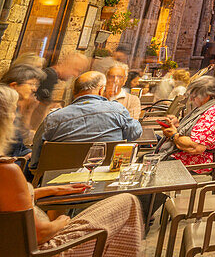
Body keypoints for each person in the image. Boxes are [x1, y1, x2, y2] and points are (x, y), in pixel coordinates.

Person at [0, 87, 145, 257]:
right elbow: (39, 234)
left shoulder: (52, 119)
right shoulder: (7, 169)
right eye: (14, 111)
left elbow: (13, 200)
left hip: (17, 244)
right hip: (43, 250)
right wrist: (63, 222)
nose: (16, 118)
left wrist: (52, 189)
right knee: (127, 203)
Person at [29, 71, 142, 172]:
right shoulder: (117, 110)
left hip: (56, 186)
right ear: (101, 90)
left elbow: (35, 162)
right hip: (105, 180)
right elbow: (134, 133)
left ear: (74, 91)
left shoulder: (53, 119)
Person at [154, 76, 215, 173]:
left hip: (199, 161)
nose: (191, 99)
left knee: (148, 166)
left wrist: (174, 135)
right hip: (186, 155)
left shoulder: (214, 113)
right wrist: (178, 125)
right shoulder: (209, 105)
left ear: (207, 95)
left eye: (195, 96)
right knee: (145, 160)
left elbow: (195, 147)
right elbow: (195, 128)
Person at [32, 52, 87, 129]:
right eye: (76, 70)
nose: (76, 74)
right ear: (67, 64)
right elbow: (38, 111)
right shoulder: (50, 75)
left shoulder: (52, 75)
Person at [1, 64, 46, 157]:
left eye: (36, 85)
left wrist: (29, 154)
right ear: (13, 85)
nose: (34, 89)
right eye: (31, 84)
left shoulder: (15, 108)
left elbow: (19, 145)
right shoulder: (3, 109)